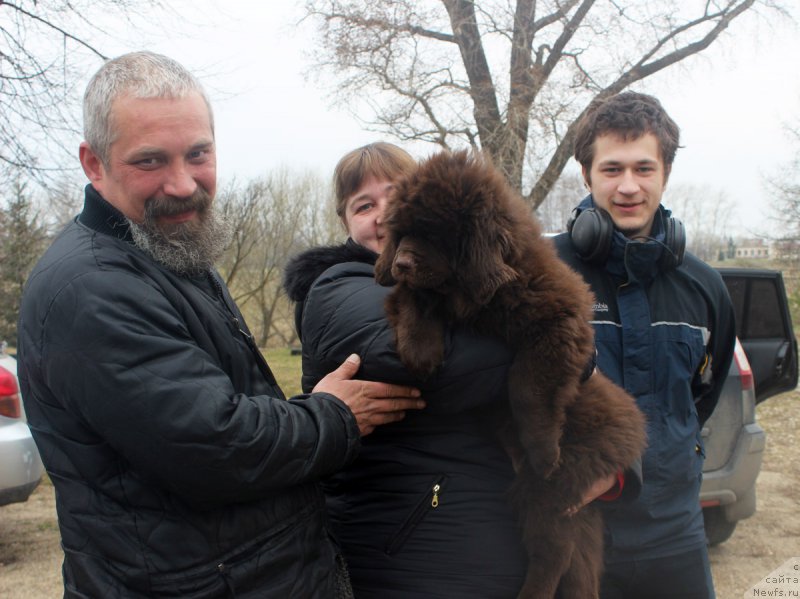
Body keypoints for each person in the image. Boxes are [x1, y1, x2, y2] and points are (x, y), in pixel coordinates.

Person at [15, 52, 424, 599]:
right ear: (93, 164)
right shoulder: (89, 288)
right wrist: (333, 415)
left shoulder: (165, 248)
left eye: (198, 154)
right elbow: (215, 448)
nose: (183, 183)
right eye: (150, 161)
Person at [283, 142, 634, 598]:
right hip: (416, 558)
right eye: (363, 205)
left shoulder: (460, 273)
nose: (382, 214)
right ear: (345, 221)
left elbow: (588, 395)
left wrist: (619, 464)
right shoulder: (336, 287)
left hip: (494, 541)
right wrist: (563, 343)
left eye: (395, 196)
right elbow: (447, 366)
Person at [553, 91, 736, 599]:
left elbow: (702, 395)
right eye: (612, 169)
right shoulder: (543, 275)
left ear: (665, 173)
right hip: (573, 535)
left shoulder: (704, 287)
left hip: (675, 535)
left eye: (643, 168)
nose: (628, 186)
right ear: (586, 175)